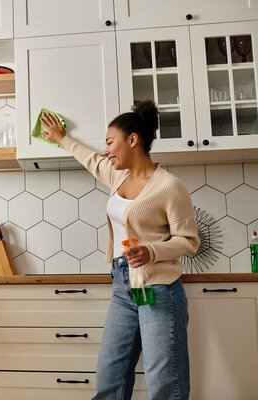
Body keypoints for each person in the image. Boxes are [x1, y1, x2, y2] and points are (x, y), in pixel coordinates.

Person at [40, 101, 200, 400]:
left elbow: (189, 240)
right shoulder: (119, 177)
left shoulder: (169, 186)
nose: (106, 151)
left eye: (110, 142)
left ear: (133, 140)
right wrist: (62, 138)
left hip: (158, 288)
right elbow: (90, 159)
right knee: (110, 374)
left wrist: (151, 251)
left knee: (163, 380)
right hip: (123, 287)